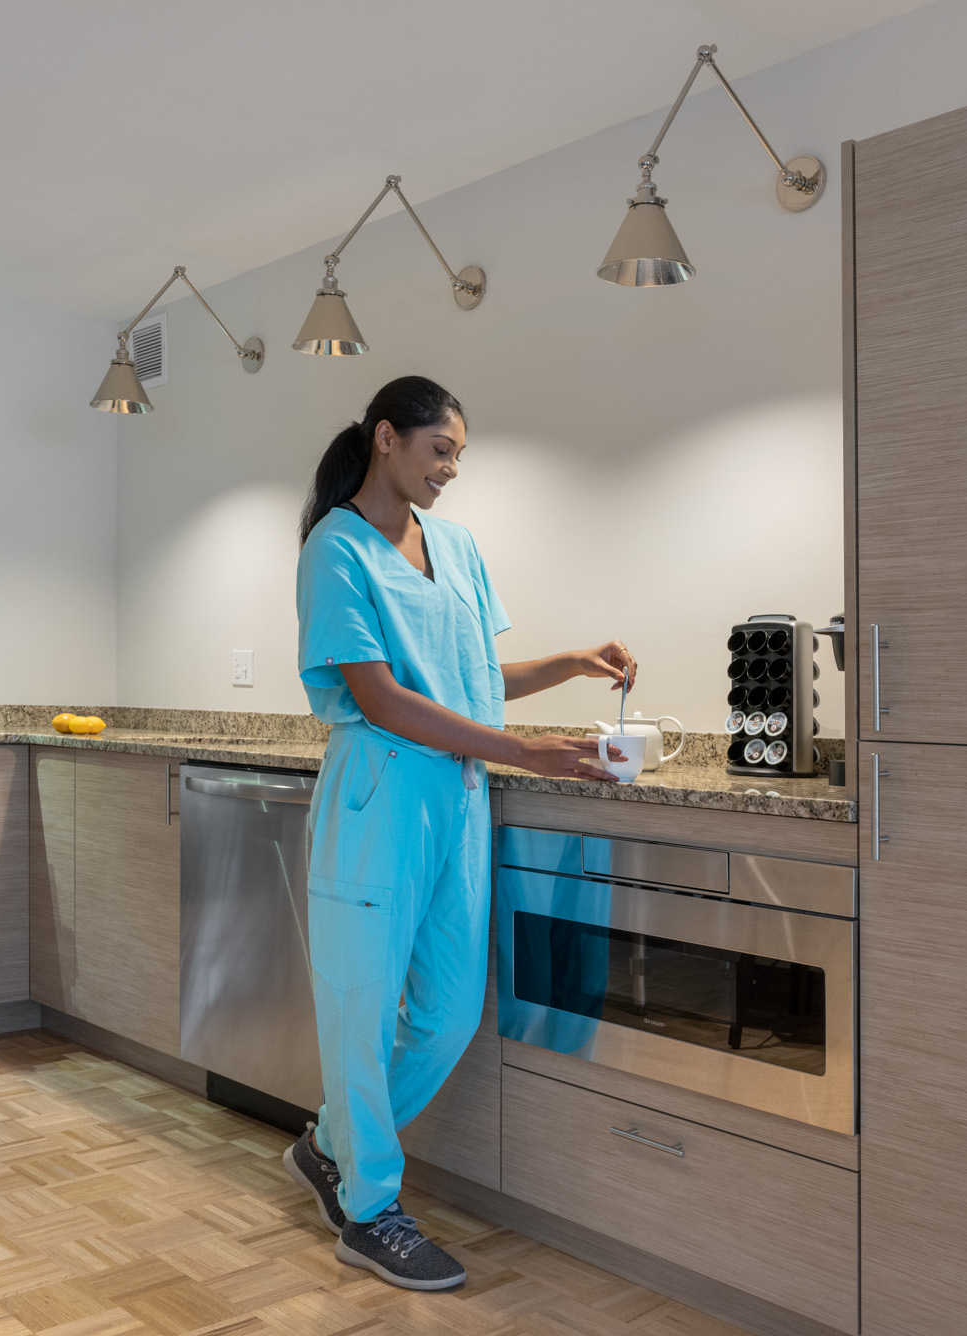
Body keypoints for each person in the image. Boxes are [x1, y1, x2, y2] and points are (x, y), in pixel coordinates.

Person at [285, 375, 637, 1290]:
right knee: (360, 1020)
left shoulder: (459, 547)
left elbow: (472, 673)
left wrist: (571, 662)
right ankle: (370, 1211)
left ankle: (333, 1145)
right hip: (381, 801)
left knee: (445, 1015)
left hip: (459, 803)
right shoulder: (336, 550)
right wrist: (525, 752)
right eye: (441, 450)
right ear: (386, 438)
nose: (451, 469)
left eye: (459, 456)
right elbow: (383, 697)